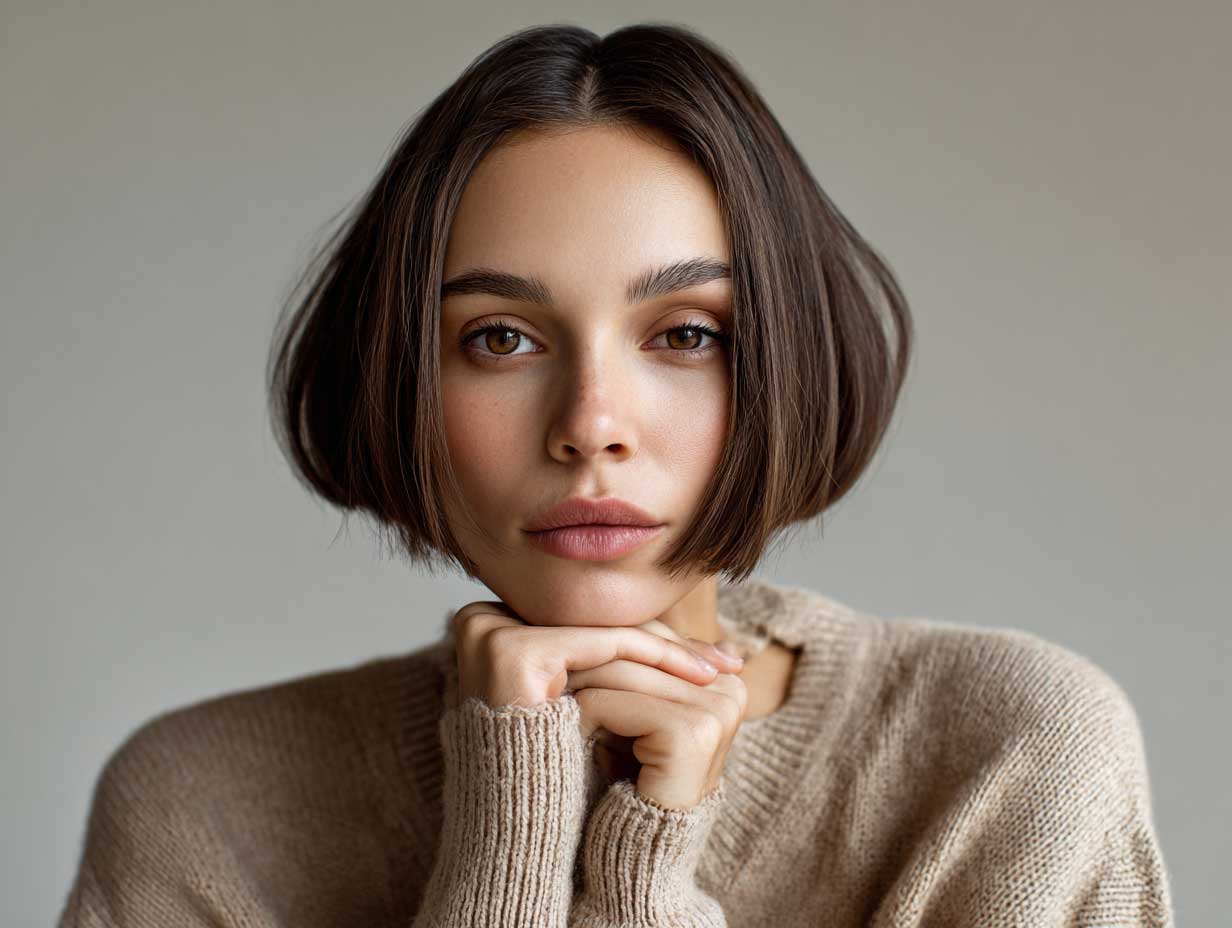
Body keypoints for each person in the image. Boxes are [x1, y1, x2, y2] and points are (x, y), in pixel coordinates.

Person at [57, 22, 1175, 927]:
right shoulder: (205, 808)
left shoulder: (1003, 753)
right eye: (499, 337)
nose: (590, 427)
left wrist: (642, 878)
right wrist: (511, 834)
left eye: (685, 335)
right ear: (394, 376)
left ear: (786, 363)